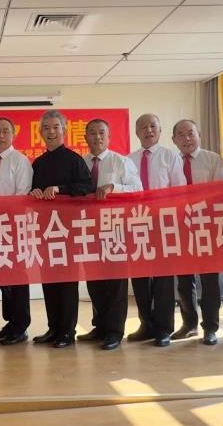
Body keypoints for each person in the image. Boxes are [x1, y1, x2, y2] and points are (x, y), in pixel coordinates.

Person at [29, 110, 93, 349]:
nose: (51, 131)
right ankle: (53, 328)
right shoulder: (38, 163)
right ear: (40, 132)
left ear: (64, 130)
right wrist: (34, 192)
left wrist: (60, 189)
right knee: (49, 281)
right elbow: (31, 192)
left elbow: (87, 187)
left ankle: (67, 331)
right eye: (46, 128)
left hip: (68, 231)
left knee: (66, 283)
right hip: (45, 230)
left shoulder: (75, 160)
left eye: (55, 127)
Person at [78, 118, 142, 351]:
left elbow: (138, 189)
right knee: (94, 282)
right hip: (87, 229)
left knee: (115, 283)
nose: (97, 137)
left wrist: (115, 188)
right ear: (85, 137)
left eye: (101, 133)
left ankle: (114, 331)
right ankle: (100, 326)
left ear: (109, 136)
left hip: (115, 230)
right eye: (92, 133)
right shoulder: (80, 163)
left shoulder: (121, 162)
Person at [127, 113, 186, 347]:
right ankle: (146, 324)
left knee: (163, 279)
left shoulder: (170, 156)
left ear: (160, 131)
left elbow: (179, 190)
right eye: (143, 127)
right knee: (140, 278)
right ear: (136, 132)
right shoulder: (128, 160)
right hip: (137, 223)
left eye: (153, 126)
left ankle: (163, 328)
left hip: (163, 223)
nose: (148, 130)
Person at [170, 119, 223, 346]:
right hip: (179, 226)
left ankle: (210, 327)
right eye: (181, 135)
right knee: (184, 281)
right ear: (174, 139)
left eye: (190, 133)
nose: (186, 139)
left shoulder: (212, 159)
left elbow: (221, 192)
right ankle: (189, 324)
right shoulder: (171, 161)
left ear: (199, 135)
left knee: (209, 281)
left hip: (206, 225)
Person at [0, 117, 33, 346]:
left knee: (17, 276)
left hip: (13, 226)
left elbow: (23, 195)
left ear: (13, 134)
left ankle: (21, 325)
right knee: (2, 276)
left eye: (6, 131)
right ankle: (10, 321)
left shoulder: (20, 161)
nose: (1, 135)